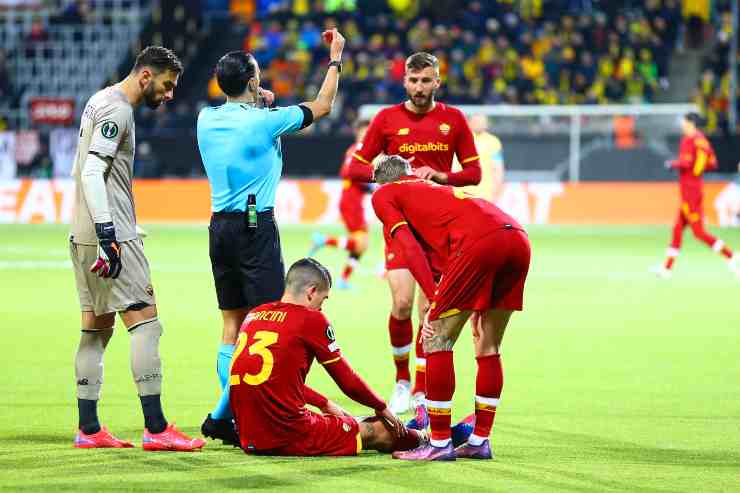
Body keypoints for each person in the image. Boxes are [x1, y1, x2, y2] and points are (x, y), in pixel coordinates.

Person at [196, 29, 346, 445]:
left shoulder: (205, 118)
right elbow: (324, 104)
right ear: (249, 82)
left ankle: (229, 414)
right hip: (254, 227)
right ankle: (221, 414)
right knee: (265, 323)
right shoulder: (266, 123)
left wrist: (258, 102)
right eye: (258, 77)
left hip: (218, 227)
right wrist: (335, 58)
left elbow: (242, 119)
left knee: (231, 323)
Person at [70, 46, 205, 451]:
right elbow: (93, 170)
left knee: (95, 328)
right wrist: (111, 234)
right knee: (147, 324)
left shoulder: (98, 100)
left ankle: (89, 430)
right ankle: (157, 427)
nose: (169, 95)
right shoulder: (119, 111)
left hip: (80, 232)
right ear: (146, 76)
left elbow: (81, 170)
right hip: (111, 236)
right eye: (166, 85)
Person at [346, 52, 482, 416]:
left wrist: (440, 176)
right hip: (400, 225)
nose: (419, 87)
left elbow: (474, 173)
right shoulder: (386, 119)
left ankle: (422, 389)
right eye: (413, 81)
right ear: (404, 82)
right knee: (403, 303)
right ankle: (402, 381)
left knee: (429, 309)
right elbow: (354, 168)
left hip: (440, 229)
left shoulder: (453, 120)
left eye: (426, 81)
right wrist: (390, 173)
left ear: (438, 81)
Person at [371, 155, 531, 461]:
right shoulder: (431, 190)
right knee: (488, 344)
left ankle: (440, 443)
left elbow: (409, 247)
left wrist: (432, 297)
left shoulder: (385, 194)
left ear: (381, 181)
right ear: (412, 173)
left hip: (478, 244)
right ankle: (479, 440)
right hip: (516, 238)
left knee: (436, 338)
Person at [229, 258, 473, 456]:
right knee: (377, 430)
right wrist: (381, 406)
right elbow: (346, 379)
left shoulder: (255, 315)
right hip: (286, 435)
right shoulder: (310, 319)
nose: (322, 307)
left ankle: (413, 429)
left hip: (248, 435)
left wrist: (324, 403)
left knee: (347, 418)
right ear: (312, 292)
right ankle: (433, 438)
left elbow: (271, 379)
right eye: (323, 299)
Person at [651, 113, 738, 278]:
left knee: (699, 233)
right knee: (677, 230)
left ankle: (731, 256)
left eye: (683, 121)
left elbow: (686, 163)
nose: (682, 124)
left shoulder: (689, 140)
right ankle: (666, 269)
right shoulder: (702, 140)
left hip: (690, 192)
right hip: (694, 188)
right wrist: (698, 169)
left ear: (690, 123)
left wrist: (672, 164)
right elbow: (713, 163)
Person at [309, 118, 371, 289]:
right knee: (361, 243)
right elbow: (347, 171)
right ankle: (323, 240)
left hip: (354, 199)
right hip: (351, 200)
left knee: (362, 244)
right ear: (358, 133)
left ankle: (344, 280)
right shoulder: (358, 149)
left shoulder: (359, 150)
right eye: (363, 132)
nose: (366, 135)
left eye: (369, 132)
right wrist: (370, 181)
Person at [452, 114, 505, 203]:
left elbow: (498, 168)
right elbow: (453, 167)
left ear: (487, 124)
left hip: (486, 194)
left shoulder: (493, 142)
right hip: (463, 194)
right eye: (476, 122)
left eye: (481, 122)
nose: (479, 124)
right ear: (469, 122)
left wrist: (497, 190)